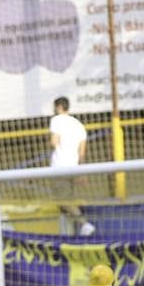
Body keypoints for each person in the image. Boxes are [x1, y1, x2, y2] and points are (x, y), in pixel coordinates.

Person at [48, 97, 94, 236]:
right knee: (69, 199)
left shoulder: (56, 120)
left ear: (59, 107)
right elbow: (82, 152)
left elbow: (54, 142)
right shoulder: (78, 124)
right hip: (74, 166)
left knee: (62, 200)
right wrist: (81, 171)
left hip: (60, 166)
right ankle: (70, 232)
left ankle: (85, 224)